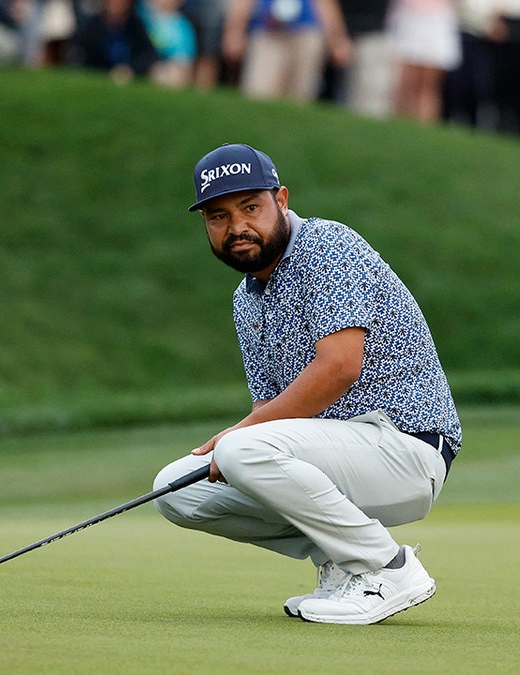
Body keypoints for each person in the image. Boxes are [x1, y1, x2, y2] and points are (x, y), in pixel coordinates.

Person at [152, 143, 461, 625]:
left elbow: (340, 367)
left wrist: (237, 438)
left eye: (250, 208)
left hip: (406, 446)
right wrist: (242, 442)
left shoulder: (328, 246)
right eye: (218, 216)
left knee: (239, 450)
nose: (237, 228)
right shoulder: (246, 299)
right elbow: (270, 407)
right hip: (334, 457)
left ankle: (388, 567)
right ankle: (342, 563)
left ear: (282, 199)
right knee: (174, 489)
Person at [221, 0, 352, 102]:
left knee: (301, 96)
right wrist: (235, 31)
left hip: (306, 32)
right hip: (268, 33)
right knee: (258, 93)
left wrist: (337, 39)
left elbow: (325, 3)